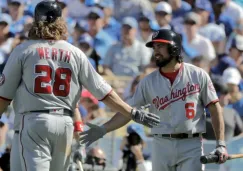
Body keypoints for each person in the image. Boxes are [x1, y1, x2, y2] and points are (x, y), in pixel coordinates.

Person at [0, 1, 160, 171]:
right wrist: (132, 112)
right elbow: (104, 92)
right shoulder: (75, 52)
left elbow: (3, 97)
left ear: (36, 22)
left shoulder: (24, 50)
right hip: (66, 125)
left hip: (34, 122)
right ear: (60, 22)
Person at [80, 29, 228, 171]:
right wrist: (104, 128)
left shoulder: (198, 75)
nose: (156, 51)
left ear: (174, 48)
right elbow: (128, 111)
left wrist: (220, 144)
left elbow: (215, 109)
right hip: (161, 145)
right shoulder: (147, 82)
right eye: (154, 46)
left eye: (161, 46)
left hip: (191, 144)